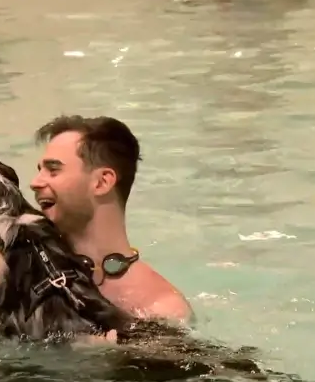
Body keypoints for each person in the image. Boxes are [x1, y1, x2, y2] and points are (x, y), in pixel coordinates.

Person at [29, 115, 194, 323]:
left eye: (53, 170)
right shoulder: (17, 273)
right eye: (39, 170)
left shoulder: (161, 309)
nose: (35, 183)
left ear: (102, 182)